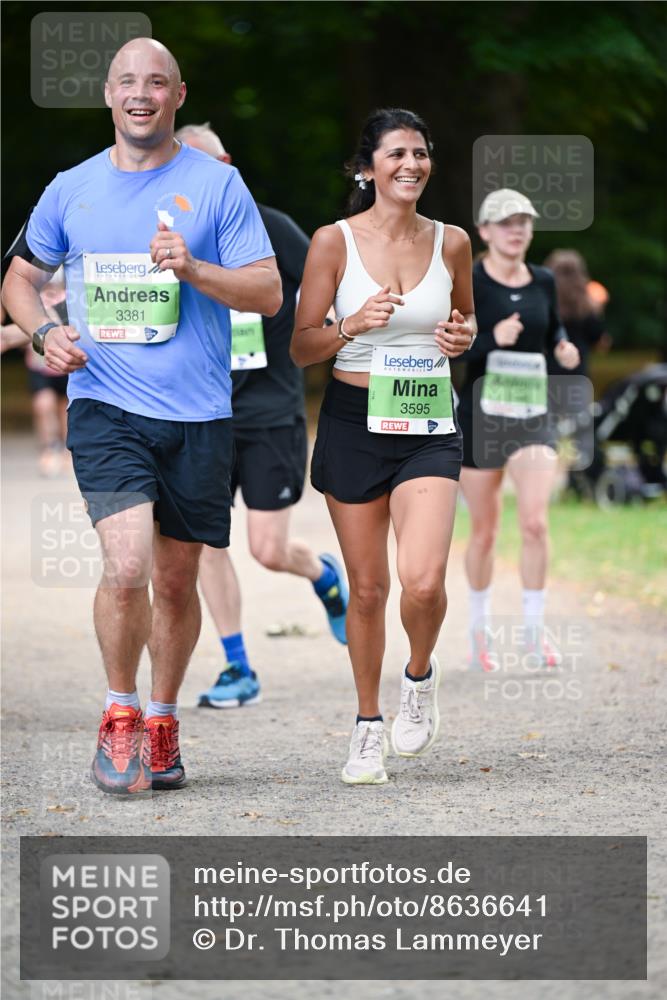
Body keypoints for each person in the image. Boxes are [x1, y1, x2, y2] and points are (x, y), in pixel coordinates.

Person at [1, 38, 281, 795]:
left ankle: (163, 719)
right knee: (126, 567)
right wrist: (43, 331)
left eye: (156, 82)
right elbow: (21, 279)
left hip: (197, 414)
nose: (141, 93)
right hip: (106, 404)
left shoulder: (217, 188)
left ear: (177, 96)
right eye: (128, 81)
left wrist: (192, 268)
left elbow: (266, 293)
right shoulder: (71, 189)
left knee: (176, 577)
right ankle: (119, 712)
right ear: (108, 94)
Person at [291, 108, 476, 785]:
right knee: (367, 590)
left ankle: (419, 678)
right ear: (365, 167)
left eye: (420, 153)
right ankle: (367, 725)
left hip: (427, 421)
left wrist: (461, 338)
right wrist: (351, 326)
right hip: (352, 419)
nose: (411, 164)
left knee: (422, 581)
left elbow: (465, 318)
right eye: (396, 153)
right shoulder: (331, 242)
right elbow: (300, 345)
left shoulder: (452, 242)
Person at [173, 123, 349, 710]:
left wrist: (303, 312)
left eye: (199, 164)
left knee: (268, 549)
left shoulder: (268, 226)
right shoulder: (172, 237)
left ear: (225, 163)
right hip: (201, 411)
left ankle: (324, 574)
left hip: (269, 407)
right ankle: (237, 667)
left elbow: (331, 283)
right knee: (204, 543)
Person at [455, 189, 580, 672]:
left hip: (532, 418)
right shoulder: (470, 282)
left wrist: (564, 349)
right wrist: (490, 340)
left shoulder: (544, 280)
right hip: (482, 421)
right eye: (505, 222)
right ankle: (479, 635)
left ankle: (533, 633)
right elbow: (448, 347)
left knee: (534, 523)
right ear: (484, 231)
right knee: (484, 533)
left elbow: (553, 335)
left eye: (524, 221)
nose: (516, 229)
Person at [1, 266, 70, 476]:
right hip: (39, 367)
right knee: (43, 405)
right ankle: (49, 448)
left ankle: (67, 451)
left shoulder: (71, 298)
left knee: (64, 411)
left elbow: (57, 322)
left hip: (65, 365)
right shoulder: (29, 297)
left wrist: (9, 336)